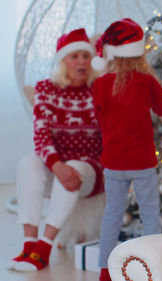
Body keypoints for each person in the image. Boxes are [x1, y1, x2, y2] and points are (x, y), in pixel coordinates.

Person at [9, 28, 103, 272]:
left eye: (86, 56)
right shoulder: (46, 89)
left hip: (91, 170)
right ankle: (29, 243)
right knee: (28, 163)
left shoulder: (99, 91)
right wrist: (56, 165)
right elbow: (41, 136)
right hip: (59, 165)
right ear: (63, 60)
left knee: (74, 167)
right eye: (75, 56)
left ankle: (45, 246)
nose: (81, 61)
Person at [91, 18, 162, 281]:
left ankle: (106, 271)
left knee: (112, 214)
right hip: (142, 162)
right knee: (149, 213)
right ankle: (151, 268)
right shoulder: (146, 82)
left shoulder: (100, 85)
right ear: (140, 51)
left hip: (113, 161)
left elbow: (98, 118)